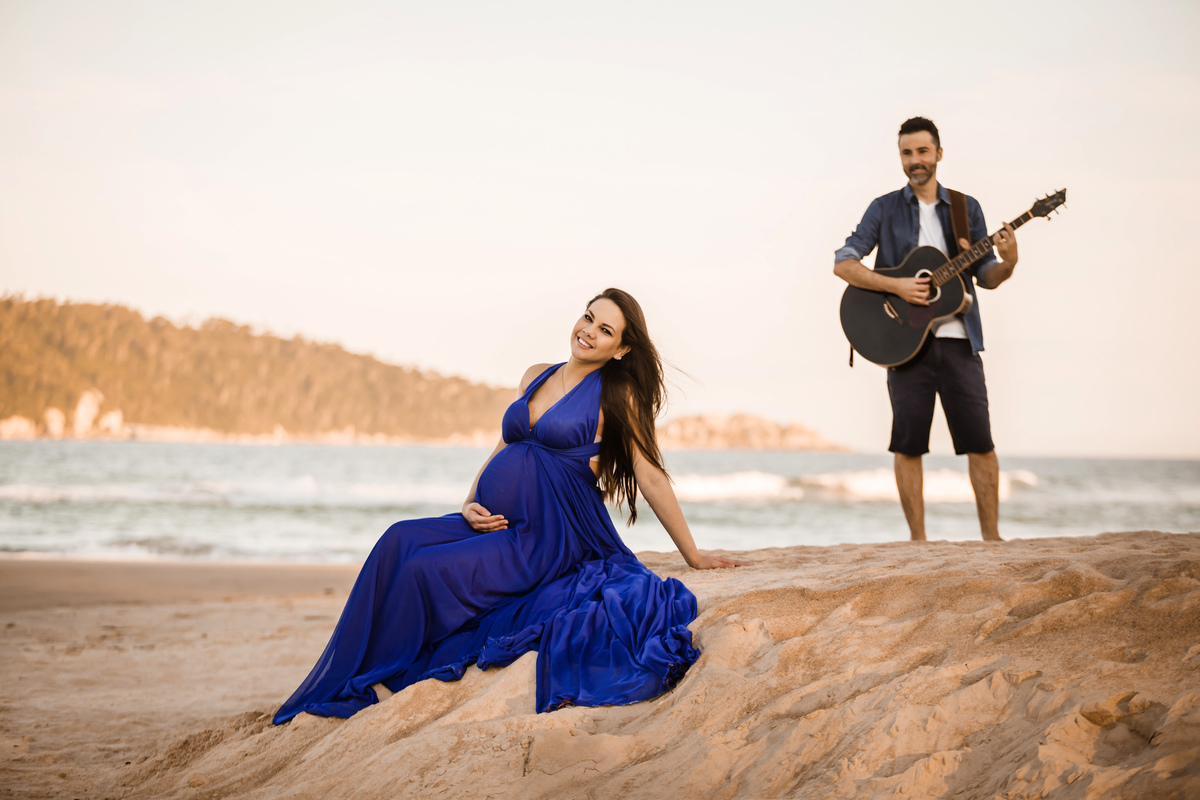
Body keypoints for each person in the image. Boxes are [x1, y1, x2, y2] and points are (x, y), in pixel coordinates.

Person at [273, 288, 744, 725]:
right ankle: (363, 670)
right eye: (588, 317)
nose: (589, 331)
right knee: (398, 539)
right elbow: (503, 445)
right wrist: (469, 500)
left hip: (548, 538)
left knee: (424, 570)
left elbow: (650, 475)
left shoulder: (617, 394)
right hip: (494, 522)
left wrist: (693, 556)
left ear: (621, 349)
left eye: (606, 330)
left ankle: (386, 676)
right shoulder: (535, 374)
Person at [832, 117, 1019, 542]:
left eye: (922, 151)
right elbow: (844, 263)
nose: (915, 161)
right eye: (907, 153)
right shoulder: (883, 208)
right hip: (904, 343)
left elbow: (986, 277)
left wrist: (1009, 261)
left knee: (981, 442)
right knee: (908, 444)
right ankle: (919, 542)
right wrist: (896, 284)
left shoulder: (965, 208)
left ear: (938, 153)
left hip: (960, 341)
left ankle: (991, 539)